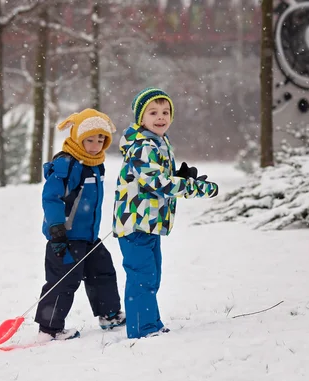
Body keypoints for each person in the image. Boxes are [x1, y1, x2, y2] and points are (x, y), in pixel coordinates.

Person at [112, 88, 219, 339]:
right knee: (142, 277)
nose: (161, 117)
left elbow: (158, 178)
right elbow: (158, 183)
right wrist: (195, 188)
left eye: (165, 112)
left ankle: (150, 322)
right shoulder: (142, 146)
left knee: (152, 276)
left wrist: (178, 177)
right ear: (141, 118)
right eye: (153, 112)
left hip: (149, 223)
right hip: (135, 223)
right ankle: (142, 328)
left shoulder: (158, 141)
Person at [35, 108, 126, 342]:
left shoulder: (96, 164)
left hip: (88, 236)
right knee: (64, 280)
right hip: (65, 237)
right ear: (77, 137)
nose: (95, 145)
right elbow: (51, 197)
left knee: (102, 271)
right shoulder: (67, 164)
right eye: (89, 140)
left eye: (100, 140)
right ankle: (49, 328)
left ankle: (110, 314)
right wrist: (56, 228)